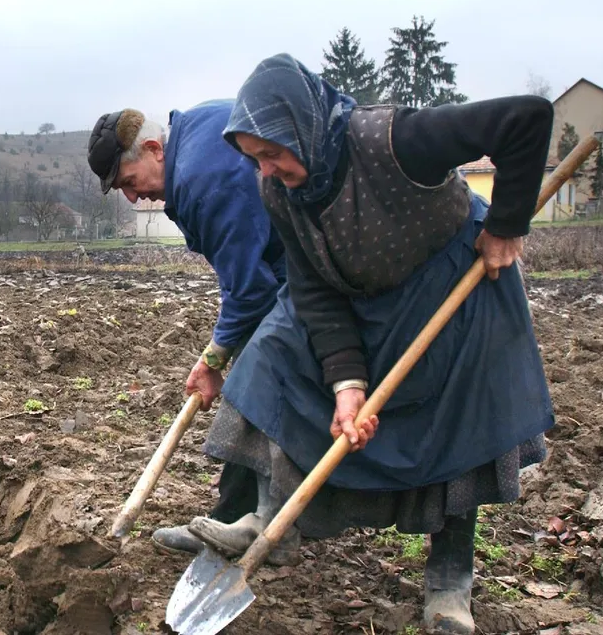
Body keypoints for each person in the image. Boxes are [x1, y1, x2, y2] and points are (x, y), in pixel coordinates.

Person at [185, 54, 556, 635]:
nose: (267, 169)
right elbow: (313, 294)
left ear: (302, 127)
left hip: (452, 285)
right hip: (359, 299)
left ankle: (450, 579)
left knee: (457, 425)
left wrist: (506, 225)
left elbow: (527, 119)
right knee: (272, 357)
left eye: (273, 152)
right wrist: (347, 384)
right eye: (255, 159)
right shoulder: (279, 192)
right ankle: (267, 518)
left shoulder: (392, 140)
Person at [86, 99, 287, 554]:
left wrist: (215, 358)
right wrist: (220, 354)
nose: (134, 198)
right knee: (254, 385)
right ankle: (238, 519)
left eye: (131, 183)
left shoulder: (203, 178)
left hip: (308, 272)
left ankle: (261, 527)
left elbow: (249, 288)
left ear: (155, 148)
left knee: (258, 385)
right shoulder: (195, 130)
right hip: (284, 272)